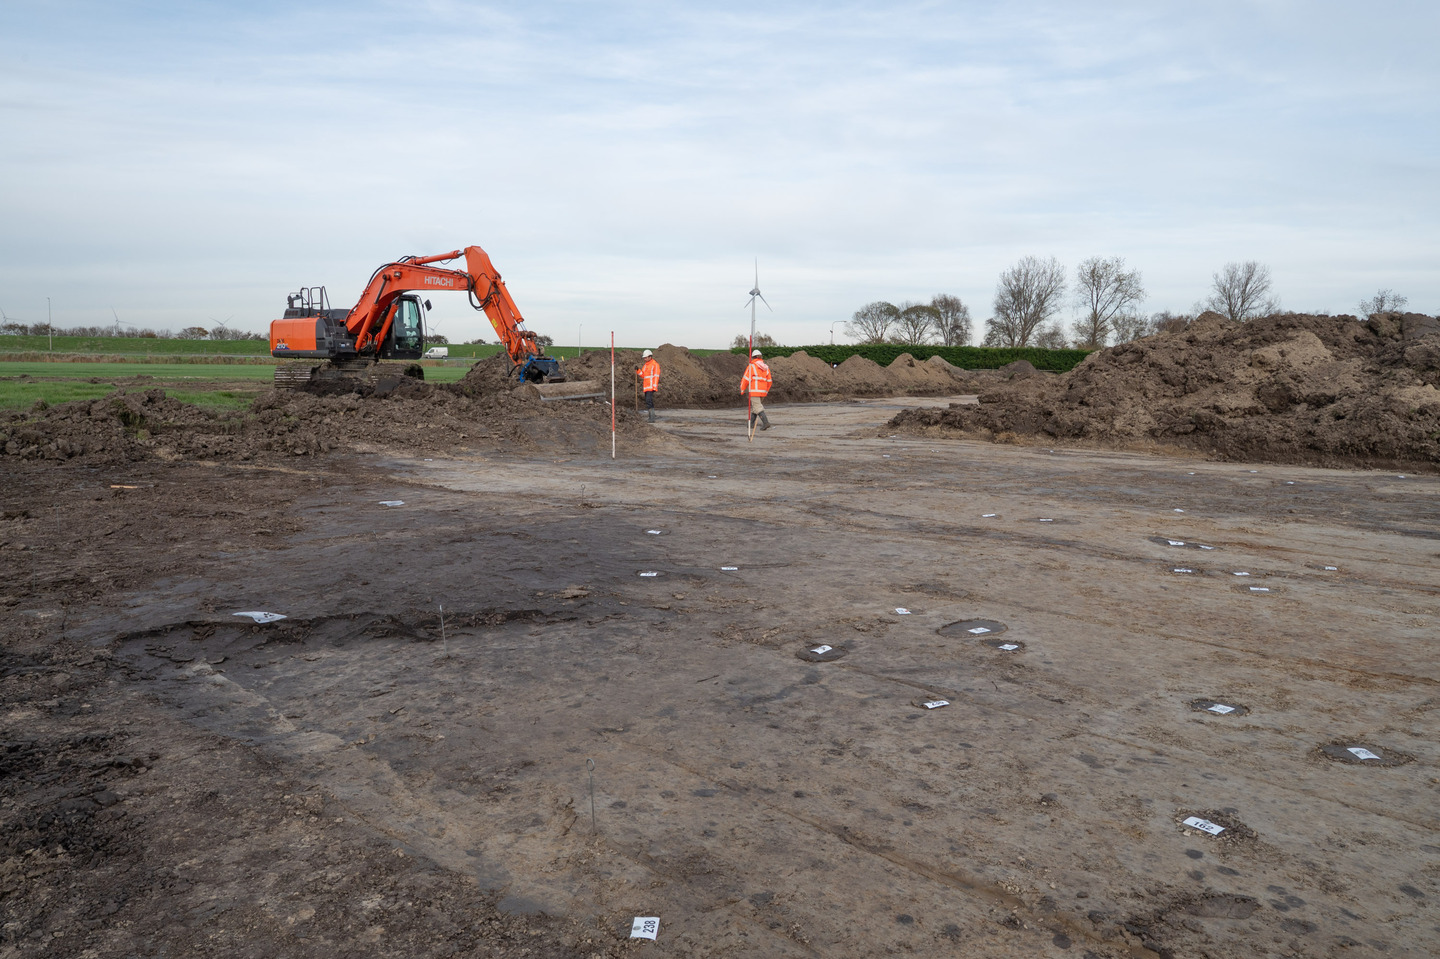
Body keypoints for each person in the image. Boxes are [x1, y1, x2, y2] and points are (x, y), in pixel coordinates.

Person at [740, 348, 772, 431]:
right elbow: (769, 381)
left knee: (757, 407)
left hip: (754, 391)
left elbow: (746, 379)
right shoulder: (766, 367)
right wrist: (766, 390)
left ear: (753, 357)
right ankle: (751, 424)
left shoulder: (751, 366)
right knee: (755, 407)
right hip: (763, 391)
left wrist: (742, 389)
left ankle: (766, 423)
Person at [636, 349, 661, 422]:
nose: (644, 359)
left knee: (648, 401)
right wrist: (638, 370)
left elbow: (656, 376)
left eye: (646, 357)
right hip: (646, 387)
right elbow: (643, 375)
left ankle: (652, 418)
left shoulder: (655, 365)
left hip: (651, 387)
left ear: (650, 357)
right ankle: (651, 417)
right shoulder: (645, 365)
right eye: (644, 357)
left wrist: (654, 387)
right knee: (648, 401)